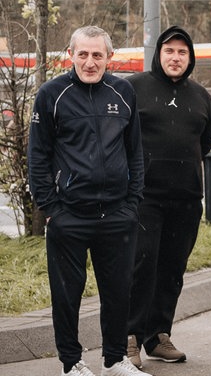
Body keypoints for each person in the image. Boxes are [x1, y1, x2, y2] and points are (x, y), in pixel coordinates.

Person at [28, 26, 151, 376]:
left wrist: (132, 203)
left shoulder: (123, 91)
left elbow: (135, 153)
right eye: (83, 54)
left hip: (117, 214)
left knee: (118, 293)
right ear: (70, 54)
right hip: (69, 215)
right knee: (67, 296)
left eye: (98, 55)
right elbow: (37, 157)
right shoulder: (51, 94)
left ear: (109, 58)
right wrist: (52, 209)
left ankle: (114, 359)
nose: (90, 62)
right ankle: (71, 363)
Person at [125, 26, 211, 369]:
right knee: (142, 264)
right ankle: (130, 337)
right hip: (144, 198)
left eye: (182, 52)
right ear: (158, 55)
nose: (175, 57)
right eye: (169, 51)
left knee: (173, 269)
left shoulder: (202, 98)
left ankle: (158, 335)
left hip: (187, 199)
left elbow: (203, 145)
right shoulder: (133, 89)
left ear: (190, 58)